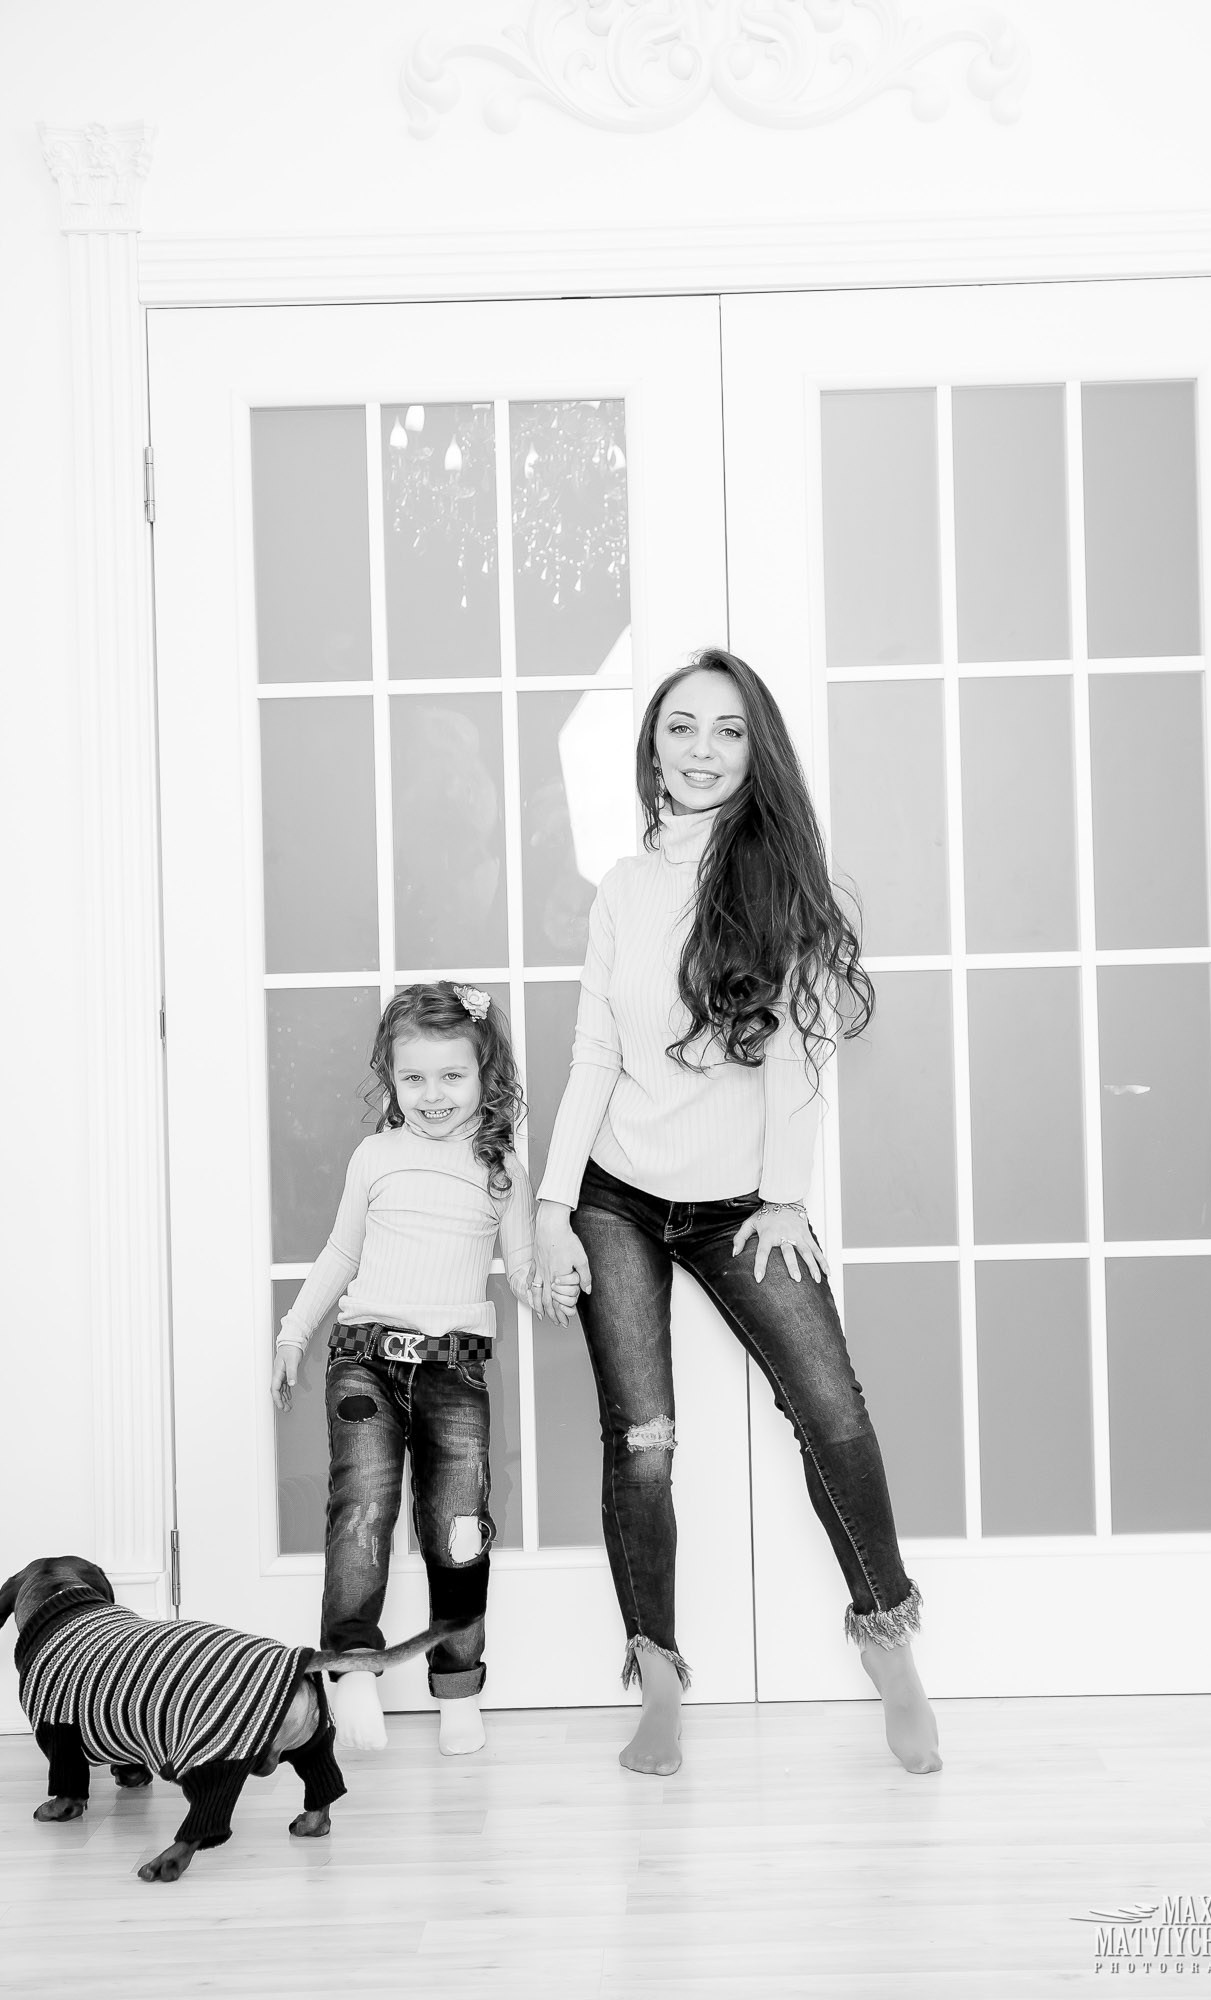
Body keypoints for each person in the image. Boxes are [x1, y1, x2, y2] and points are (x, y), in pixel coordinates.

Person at [534, 648, 941, 1778]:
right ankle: (658, 1677)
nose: (701, 749)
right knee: (642, 1441)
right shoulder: (624, 888)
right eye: (680, 727)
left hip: (739, 1206)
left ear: (756, 751)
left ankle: (888, 1638)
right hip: (617, 1192)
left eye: (726, 729)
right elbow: (596, 1053)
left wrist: (784, 1198)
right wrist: (554, 1206)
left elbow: (802, 1054)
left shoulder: (783, 884)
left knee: (831, 1410)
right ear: (653, 748)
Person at [271, 982, 579, 1754]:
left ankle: (458, 1687)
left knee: (458, 1532)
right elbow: (340, 1253)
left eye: (451, 1076)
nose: (433, 1095)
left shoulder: (499, 1167)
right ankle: (351, 1667)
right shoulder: (374, 1157)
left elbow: (519, 1269)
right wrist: (293, 1333)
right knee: (361, 1510)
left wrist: (549, 1284)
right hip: (364, 1364)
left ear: (483, 1075)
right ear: (390, 1076)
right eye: (414, 1078)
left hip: (454, 1375)